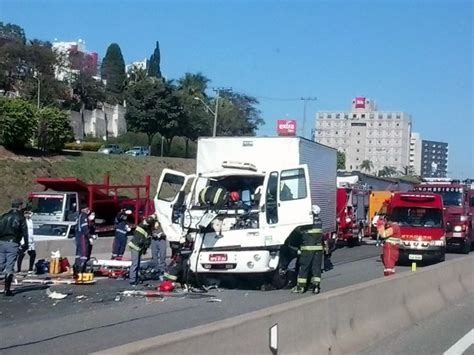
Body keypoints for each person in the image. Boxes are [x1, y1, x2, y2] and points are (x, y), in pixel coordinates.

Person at [292, 205, 324, 294]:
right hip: (318, 249)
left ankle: (301, 287)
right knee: (316, 268)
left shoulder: (308, 222)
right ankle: (316, 287)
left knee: (304, 268)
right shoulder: (320, 222)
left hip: (307, 249)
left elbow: (299, 232)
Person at [0, 199, 28, 296]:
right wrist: (26, 244)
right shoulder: (20, 217)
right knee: (9, 266)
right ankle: (7, 290)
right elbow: (25, 232)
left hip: (2, 242)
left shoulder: (3, 216)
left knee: (0, 264)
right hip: (13, 243)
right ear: (20, 206)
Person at [127, 214, 159, 285]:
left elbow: (146, 242)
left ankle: (136, 278)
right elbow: (148, 220)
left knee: (137, 264)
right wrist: (154, 216)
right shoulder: (143, 225)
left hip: (139, 248)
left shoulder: (149, 231)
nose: (156, 227)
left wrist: (144, 250)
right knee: (135, 264)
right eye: (156, 225)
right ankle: (132, 280)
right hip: (135, 246)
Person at [73, 206, 92, 278]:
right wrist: (89, 237)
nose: (88, 210)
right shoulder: (84, 216)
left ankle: (76, 269)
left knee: (79, 254)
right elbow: (85, 228)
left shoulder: (80, 216)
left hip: (78, 236)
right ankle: (81, 270)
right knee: (84, 254)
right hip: (83, 237)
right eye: (87, 209)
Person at [17, 206, 36, 274]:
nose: (29, 214)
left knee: (33, 254)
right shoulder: (22, 220)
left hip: (31, 240)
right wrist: (22, 242)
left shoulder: (30, 220)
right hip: (24, 241)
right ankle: (19, 270)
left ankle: (30, 269)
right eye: (27, 213)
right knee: (21, 255)